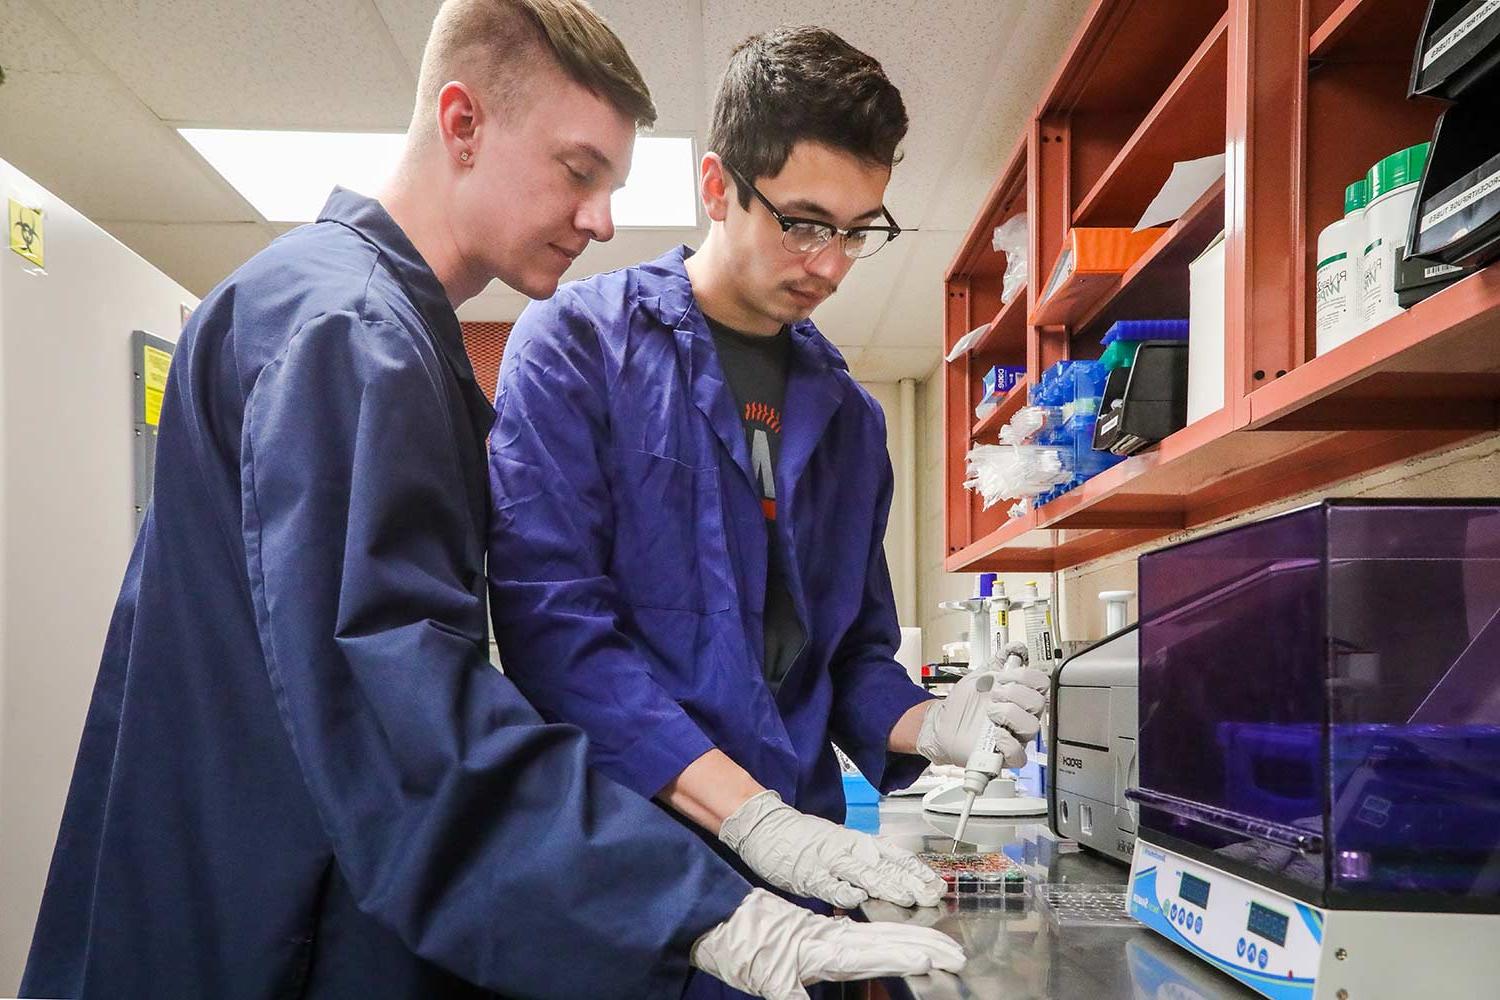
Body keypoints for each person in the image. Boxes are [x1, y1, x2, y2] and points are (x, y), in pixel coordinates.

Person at [19, 3, 964, 998]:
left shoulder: (395, 335)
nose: (602, 219)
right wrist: (708, 902)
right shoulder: (348, 335)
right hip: (280, 927)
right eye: (579, 171)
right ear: (463, 124)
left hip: (361, 898)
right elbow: (416, 723)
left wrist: (928, 726)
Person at [487, 24, 1047, 999]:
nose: (831, 264)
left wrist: (931, 721)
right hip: (630, 895)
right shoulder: (578, 349)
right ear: (717, 188)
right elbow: (557, 638)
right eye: (803, 221)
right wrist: (749, 817)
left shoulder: (851, 421)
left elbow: (850, 657)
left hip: (806, 900)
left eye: (860, 227)